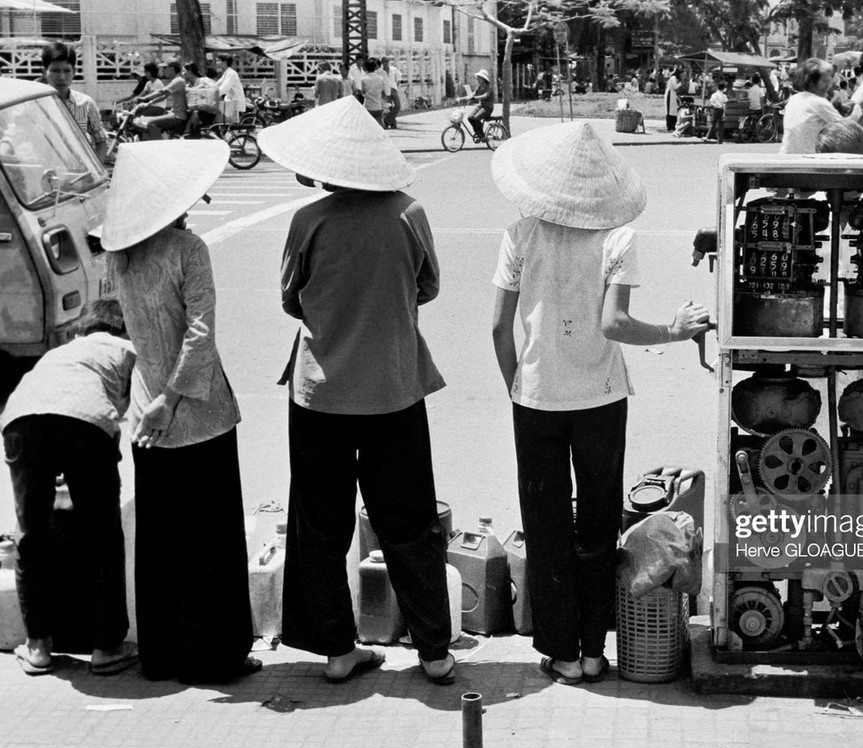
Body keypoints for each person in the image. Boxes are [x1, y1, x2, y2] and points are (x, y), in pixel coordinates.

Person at [489, 121, 710, 685]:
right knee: (596, 524)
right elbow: (612, 323)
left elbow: (498, 327)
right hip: (601, 402)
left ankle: (562, 653)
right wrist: (673, 330)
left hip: (535, 400)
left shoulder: (520, 232)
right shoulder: (617, 238)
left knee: (545, 526)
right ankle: (593, 650)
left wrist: (521, 388)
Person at [257, 97, 455, 685]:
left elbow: (292, 298)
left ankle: (339, 650)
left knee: (321, 523)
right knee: (410, 521)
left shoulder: (308, 220)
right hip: (393, 388)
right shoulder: (409, 212)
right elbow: (429, 286)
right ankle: (435, 652)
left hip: (320, 396)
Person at [102, 139, 257, 683]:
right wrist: (173, 398)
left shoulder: (119, 256)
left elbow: (113, 328)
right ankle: (219, 655)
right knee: (211, 537)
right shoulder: (187, 248)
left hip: (146, 415)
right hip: (198, 412)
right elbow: (200, 333)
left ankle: (164, 655)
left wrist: (150, 399)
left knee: (162, 542)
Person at [2, 300, 139, 678]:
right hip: (86, 421)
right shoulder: (129, 349)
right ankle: (107, 648)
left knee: (30, 534)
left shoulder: (61, 351)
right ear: (122, 330)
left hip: (21, 418)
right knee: (103, 534)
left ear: (83, 329)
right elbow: (124, 410)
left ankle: (38, 647)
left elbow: (50, 409)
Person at [41, 43, 107, 162]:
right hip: (44, 173)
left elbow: (101, 139)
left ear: (74, 71)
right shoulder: (34, 104)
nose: (62, 77)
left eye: (67, 71)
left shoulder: (86, 104)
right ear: (44, 72)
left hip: (78, 174)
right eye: (55, 71)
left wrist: (98, 169)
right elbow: (12, 136)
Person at [779, 58, 841, 155]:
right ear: (811, 82)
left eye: (829, 81)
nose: (828, 85)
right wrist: (858, 107)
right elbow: (847, 128)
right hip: (807, 163)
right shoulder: (819, 102)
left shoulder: (794, 99)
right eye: (824, 81)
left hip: (785, 158)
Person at [134, 59, 188, 140]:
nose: (163, 71)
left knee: (150, 123)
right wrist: (150, 103)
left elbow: (162, 92)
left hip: (178, 117)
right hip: (174, 114)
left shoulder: (178, 81)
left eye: (165, 68)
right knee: (143, 119)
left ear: (172, 69)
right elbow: (164, 96)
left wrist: (144, 98)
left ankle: (159, 145)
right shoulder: (176, 81)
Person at [182, 61, 220, 137]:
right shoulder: (188, 85)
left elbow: (215, 89)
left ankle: (187, 134)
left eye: (184, 71)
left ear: (190, 71)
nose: (182, 73)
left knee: (195, 114)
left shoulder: (204, 80)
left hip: (209, 112)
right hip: (198, 112)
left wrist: (201, 90)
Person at [214, 53, 247, 124]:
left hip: (234, 103)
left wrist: (213, 95)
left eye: (218, 61)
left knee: (222, 123)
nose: (216, 63)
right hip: (230, 102)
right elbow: (217, 84)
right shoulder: (226, 73)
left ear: (224, 63)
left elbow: (224, 89)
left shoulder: (231, 74)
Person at [466, 69, 495, 143]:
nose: (478, 79)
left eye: (479, 78)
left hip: (488, 107)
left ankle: (482, 135)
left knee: (476, 118)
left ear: (484, 79)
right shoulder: (479, 87)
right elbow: (472, 94)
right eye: (478, 77)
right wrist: (462, 99)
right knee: (470, 118)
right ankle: (478, 133)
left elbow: (485, 96)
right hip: (480, 106)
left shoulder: (489, 87)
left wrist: (475, 98)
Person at [360, 58, 388, 125]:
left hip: (368, 106)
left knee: (368, 127)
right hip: (378, 106)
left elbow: (363, 92)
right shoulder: (380, 78)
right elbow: (383, 92)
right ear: (375, 67)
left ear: (366, 68)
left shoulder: (364, 79)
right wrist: (385, 104)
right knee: (379, 126)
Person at [664, 68, 682, 132]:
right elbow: (675, 87)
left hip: (673, 95)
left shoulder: (676, 79)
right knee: (669, 111)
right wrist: (681, 83)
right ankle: (669, 127)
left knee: (674, 111)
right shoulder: (673, 77)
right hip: (670, 95)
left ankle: (673, 126)